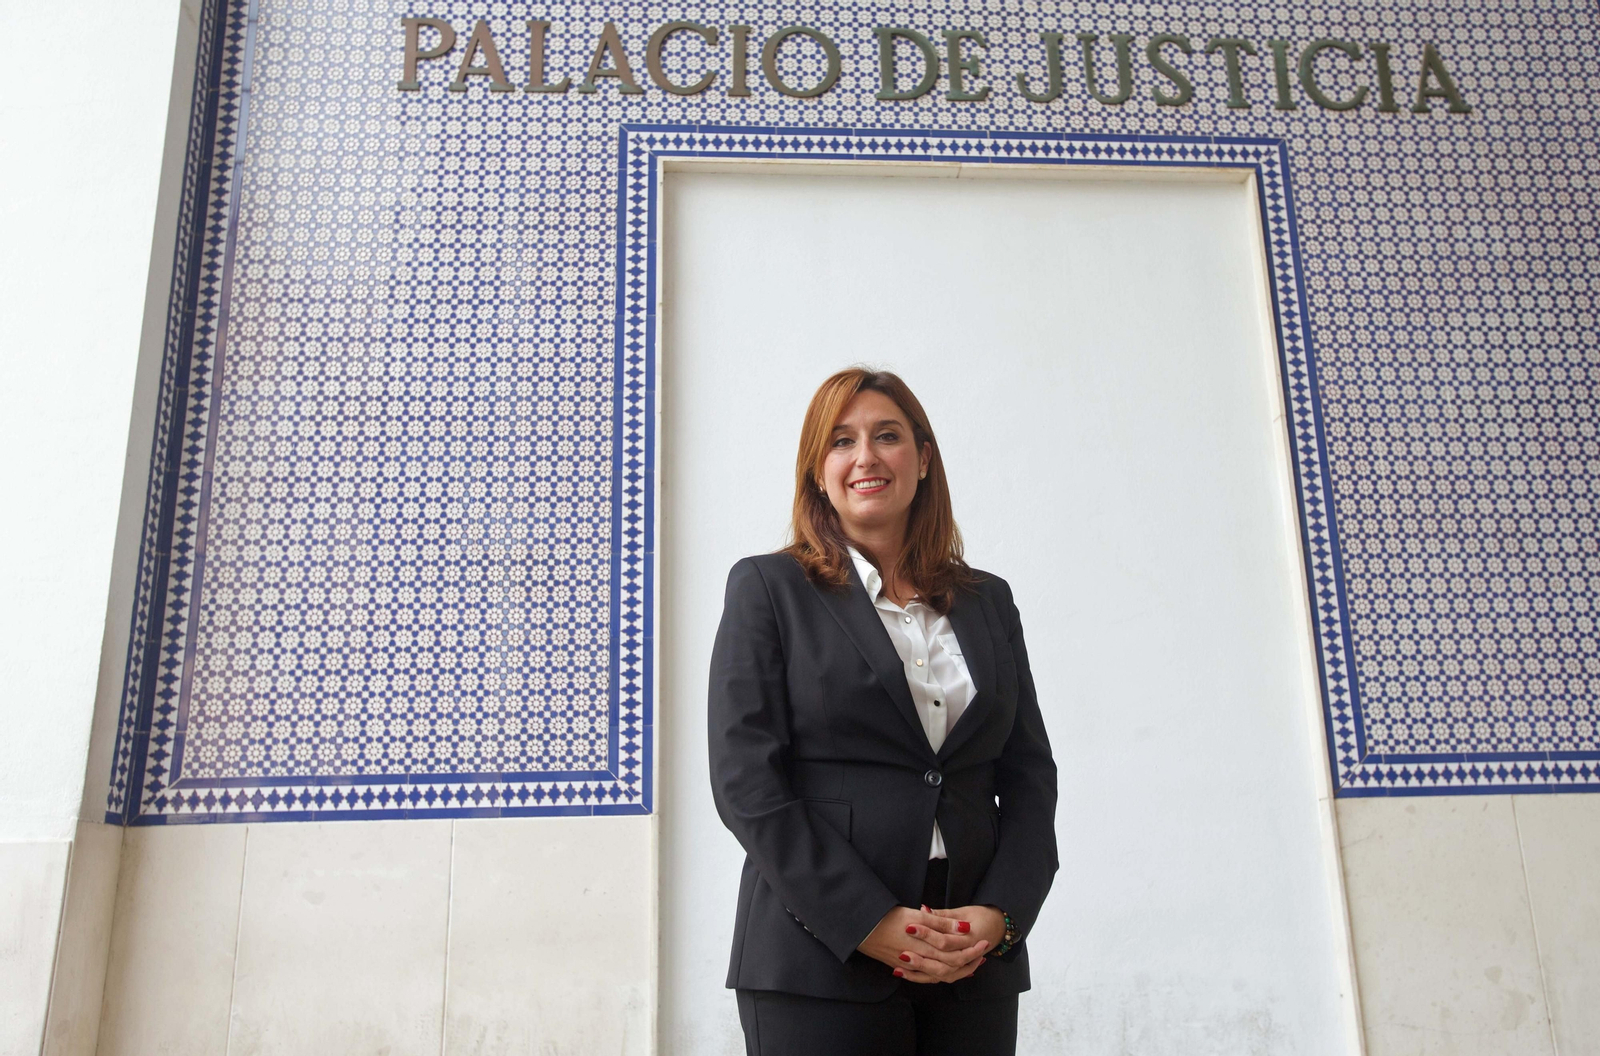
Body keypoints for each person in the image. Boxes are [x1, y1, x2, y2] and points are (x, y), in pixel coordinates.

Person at [708, 367, 1059, 1056]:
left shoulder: (988, 601)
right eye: (841, 441)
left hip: (970, 963)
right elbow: (747, 784)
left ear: (923, 459)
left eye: (887, 436)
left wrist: (999, 919)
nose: (865, 456)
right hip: (819, 958)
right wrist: (867, 921)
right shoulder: (767, 588)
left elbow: (1028, 776)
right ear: (818, 471)